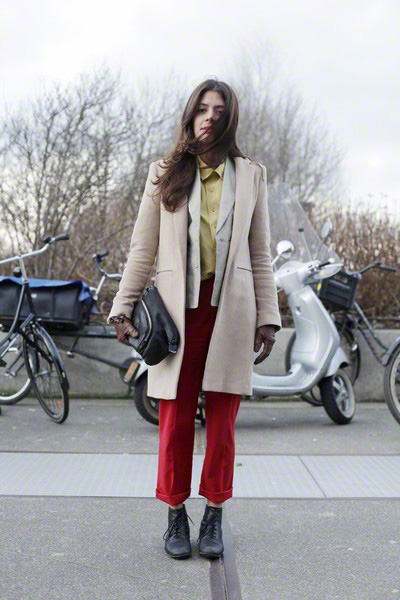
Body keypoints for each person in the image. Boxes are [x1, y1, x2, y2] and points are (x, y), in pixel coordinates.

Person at [108, 79, 281, 559]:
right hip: (174, 317)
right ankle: (175, 515)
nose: (209, 118)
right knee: (175, 419)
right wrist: (122, 306)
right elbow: (142, 247)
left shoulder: (251, 175)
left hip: (231, 313)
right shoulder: (164, 172)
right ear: (190, 115)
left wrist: (268, 315)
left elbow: (260, 251)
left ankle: (214, 516)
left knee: (222, 422)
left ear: (230, 119)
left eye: (219, 111)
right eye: (202, 109)